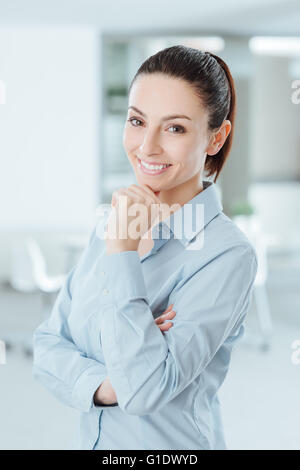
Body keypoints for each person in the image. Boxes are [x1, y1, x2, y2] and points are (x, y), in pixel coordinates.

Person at [32, 45, 258, 450]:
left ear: (215, 137)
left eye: (175, 128)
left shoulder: (226, 254)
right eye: (137, 121)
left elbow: (146, 389)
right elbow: (48, 347)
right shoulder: (110, 224)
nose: (146, 146)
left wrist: (122, 254)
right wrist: (106, 383)